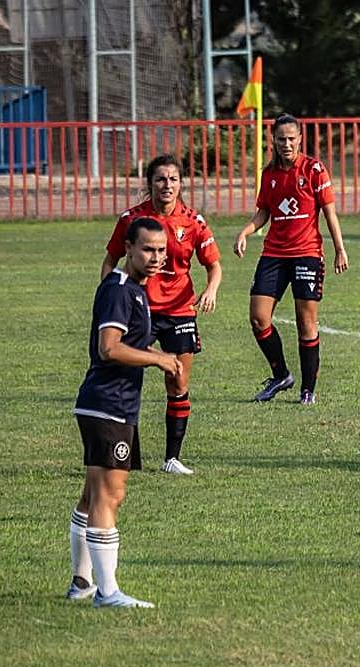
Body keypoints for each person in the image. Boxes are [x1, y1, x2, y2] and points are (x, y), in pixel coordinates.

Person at [68, 218, 182, 607]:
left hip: (109, 404)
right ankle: (108, 592)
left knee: (91, 496)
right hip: (108, 405)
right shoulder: (119, 289)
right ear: (129, 249)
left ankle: (82, 583)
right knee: (109, 496)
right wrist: (158, 359)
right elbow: (109, 348)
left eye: (161, 250)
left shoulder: (133, 290)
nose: (156, 257)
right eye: (148, 249)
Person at [102, 154, 222, 476]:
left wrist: (211, 290)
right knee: (126, 377)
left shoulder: (193, 221)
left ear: (181, 184)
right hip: (141, 308)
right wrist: (109, 296)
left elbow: (214, 265)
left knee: (178, 380)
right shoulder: (132, 220)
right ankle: (124, 454)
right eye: (160, 179)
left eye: (173, 179)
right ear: (150, 183)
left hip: (181, 309)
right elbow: (110, 259)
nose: (167, 185)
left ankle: (172, 458)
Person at [233, 114, 349, 405]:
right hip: (273, 253)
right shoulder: (269, 174)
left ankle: (307, 389)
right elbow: (263, 213)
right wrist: (245, 231)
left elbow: (329, 213)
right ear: (273, 139)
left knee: (305, 321)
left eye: (291, 138)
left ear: (300, 139)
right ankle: (281, 374)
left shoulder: (313, 169)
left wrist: (339, 248)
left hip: (307, 253)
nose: (286, 143)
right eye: (281, 138)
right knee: (259, 318)